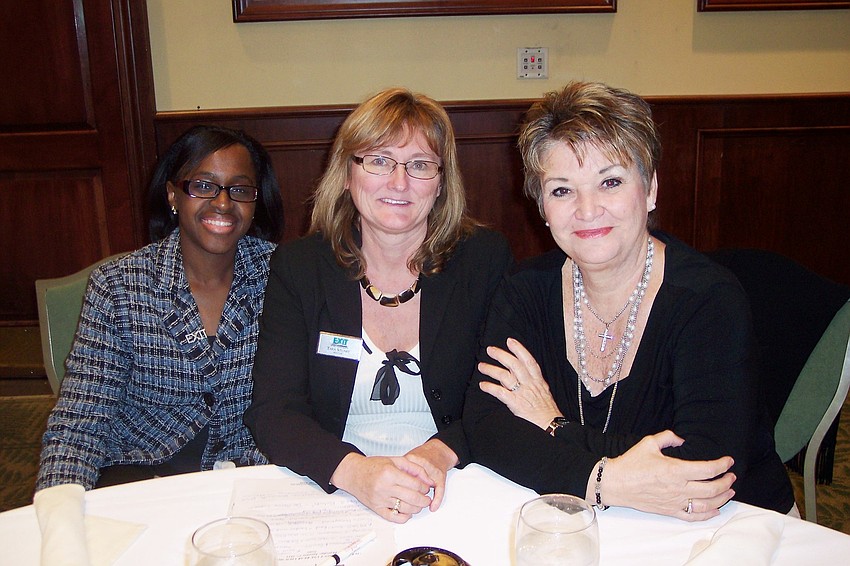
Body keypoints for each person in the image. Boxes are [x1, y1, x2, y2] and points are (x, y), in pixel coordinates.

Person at [463, 81, 795, 519]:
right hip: (596, 518)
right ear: (542, 206)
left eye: (610, 182)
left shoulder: (707, 299)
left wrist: (552, 424)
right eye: (562, 190)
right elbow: (488, 428)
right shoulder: (524, 290)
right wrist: (606, 481)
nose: (587, 209)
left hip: (730, 524)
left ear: (651, 189)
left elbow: (703, 471)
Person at [244, 87, 513, 523]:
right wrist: (356, 472)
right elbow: (274, 411)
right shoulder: (300, 267)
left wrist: (439, 453)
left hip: (453, 480)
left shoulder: (484, 260)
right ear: (348, 174)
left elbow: (500, 394)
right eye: (379, 160)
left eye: (420, 165)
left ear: (442, 182)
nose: (399, 182)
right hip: (333, 483)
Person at [36, 124, 285, 492]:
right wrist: (60, 516)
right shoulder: (118, 285)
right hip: (141, 476)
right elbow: (81, 420)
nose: (222, 203)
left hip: (250, 477)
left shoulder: (282, 276)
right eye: (203, 186)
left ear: (255, 202)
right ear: (173, 195)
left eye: (240, 189)